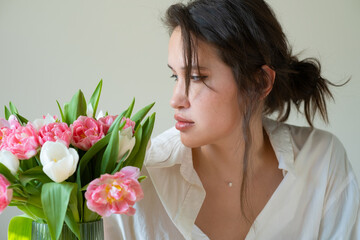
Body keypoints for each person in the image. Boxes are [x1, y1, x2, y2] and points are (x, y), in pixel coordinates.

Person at [104, 0, 360, 239]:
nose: (176, 99)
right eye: (175, 77)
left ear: (259, 83)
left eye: (196, 77)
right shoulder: (134, 184)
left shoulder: (322, 163)